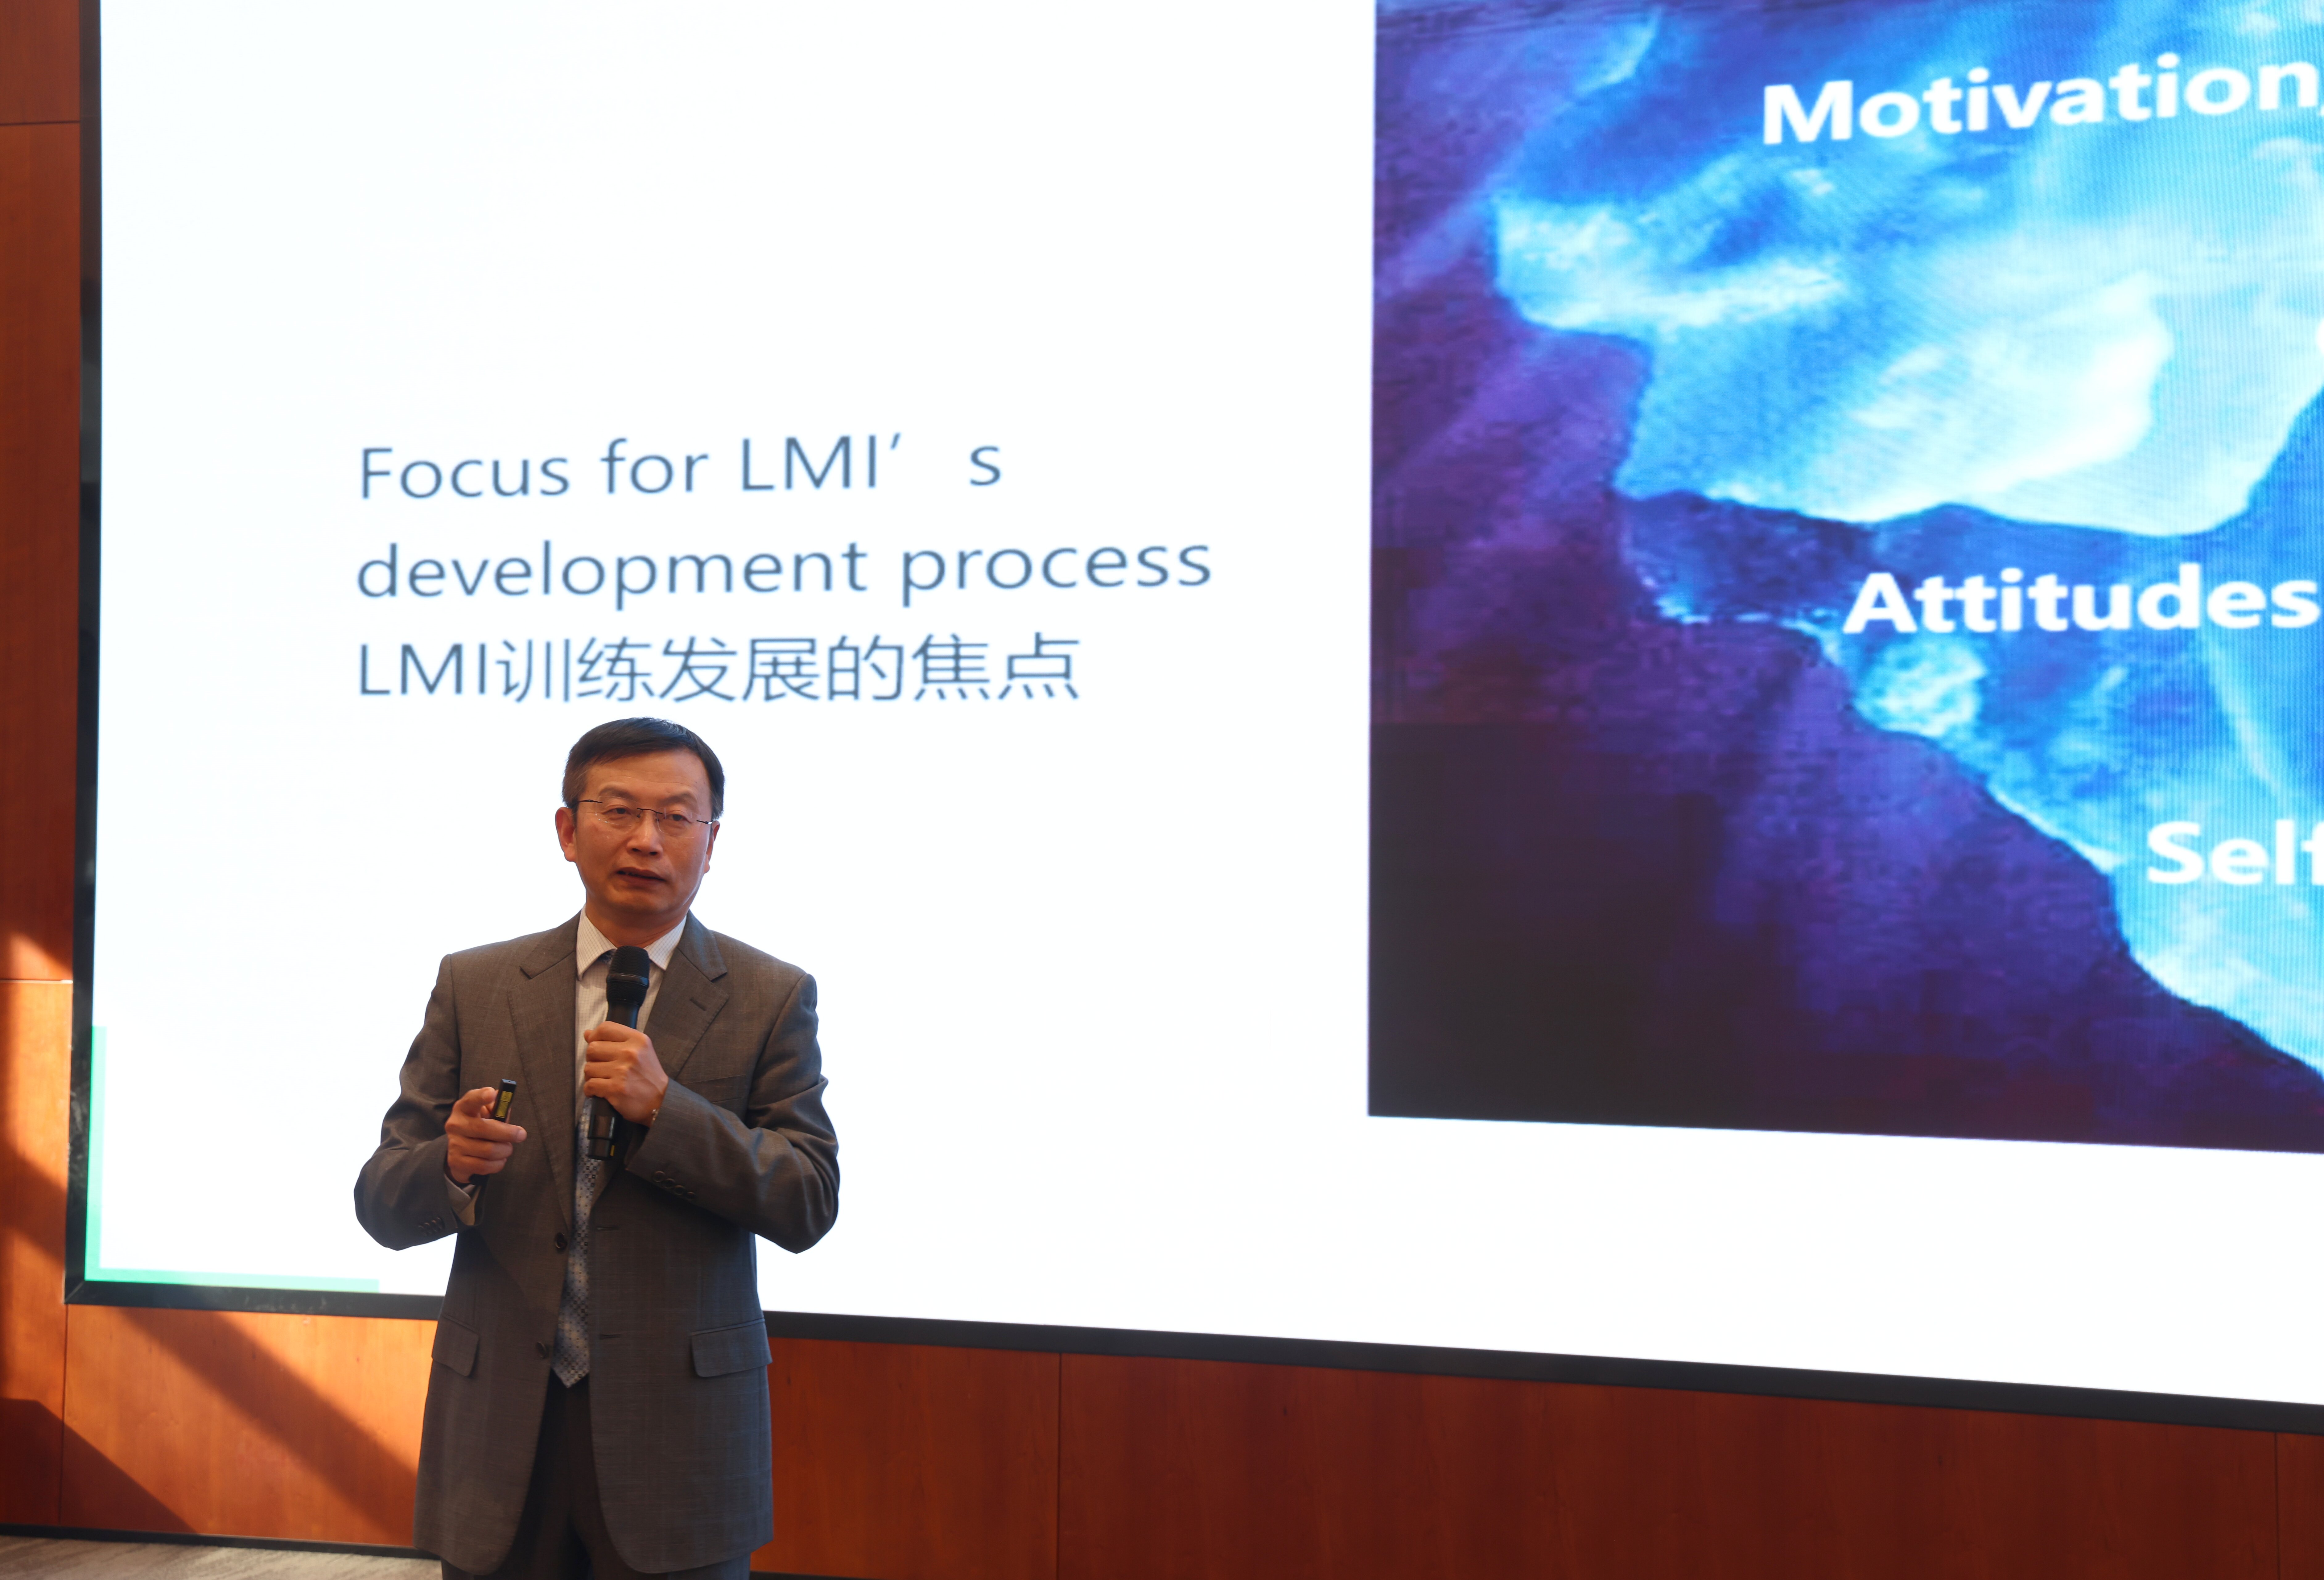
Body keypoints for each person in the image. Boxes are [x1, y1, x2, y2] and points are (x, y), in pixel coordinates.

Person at [354, 717, 840, 1580]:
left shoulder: (770, 994)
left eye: (677, 817)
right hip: (503, 1423)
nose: (647, 839)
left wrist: (670, 1113)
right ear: (568, 830)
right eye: (619, 811)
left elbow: (807, 1198)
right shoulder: (477, 984)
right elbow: (383, 1200)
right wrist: (451, 1165)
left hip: (679, 1432)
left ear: (711, 843)